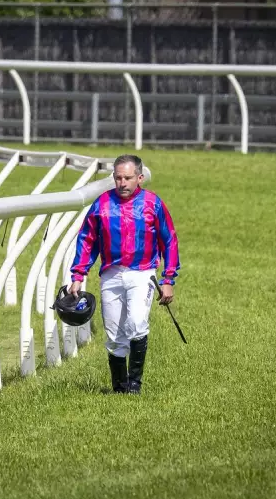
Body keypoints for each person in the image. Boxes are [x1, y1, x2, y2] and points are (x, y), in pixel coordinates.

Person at [69, 154, 180, 395]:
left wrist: (168, 279)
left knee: (137, 323)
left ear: (140, 178)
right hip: (111, 275)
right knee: (114, 335)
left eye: (128, 178)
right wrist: (78, 275)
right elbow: (87, 239)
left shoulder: (153, 204)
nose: (122, 183)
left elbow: (169, 240)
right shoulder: (101, 204)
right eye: (118, 178)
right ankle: (120, 388)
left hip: (143, 273)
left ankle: (135, 385)